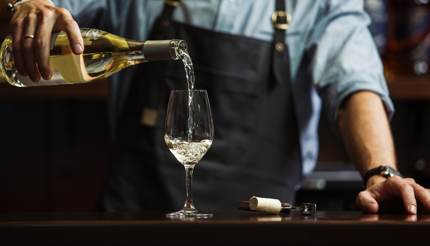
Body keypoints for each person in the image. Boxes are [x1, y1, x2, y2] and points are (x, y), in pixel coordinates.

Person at [2, 0, 430, 214]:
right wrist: (30, 6)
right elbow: (50, 4)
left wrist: (381, 173)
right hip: (134, 224)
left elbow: (355, 80)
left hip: (266, 232)